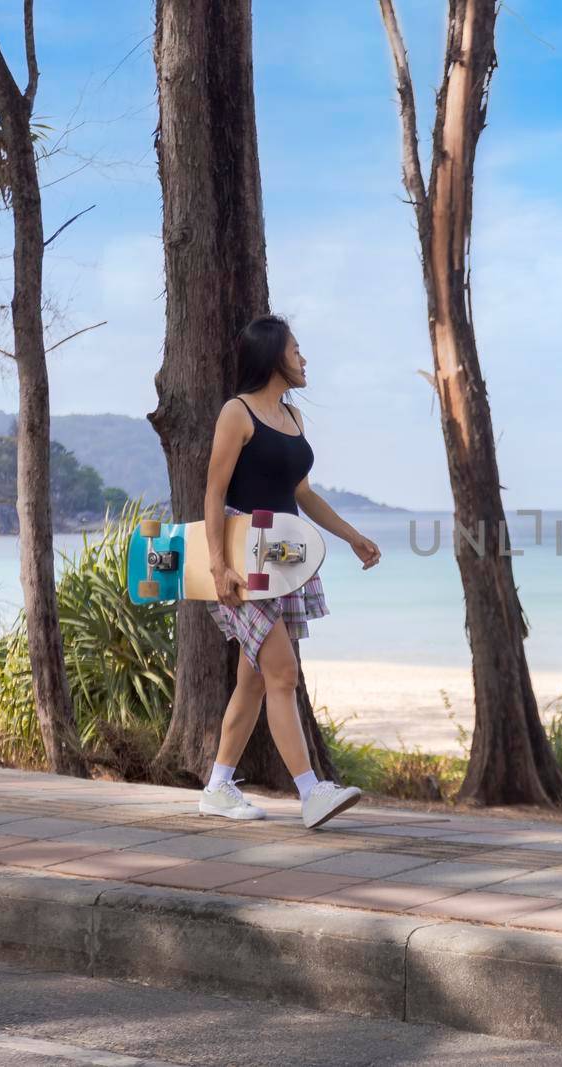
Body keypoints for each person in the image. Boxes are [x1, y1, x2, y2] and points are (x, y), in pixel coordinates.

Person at [196, 314, 382, 829]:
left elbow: (301, 493)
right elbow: (213, 491)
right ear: (273, 354)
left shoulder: (293, 416)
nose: (304, 359)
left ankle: (217, 787)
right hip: (243, 557)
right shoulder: (236, 413)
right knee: (282, 672)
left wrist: (351, 536)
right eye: (297, 350)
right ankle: (310, 791)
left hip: (284, 557)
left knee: (254, 681)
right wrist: (217, 565)